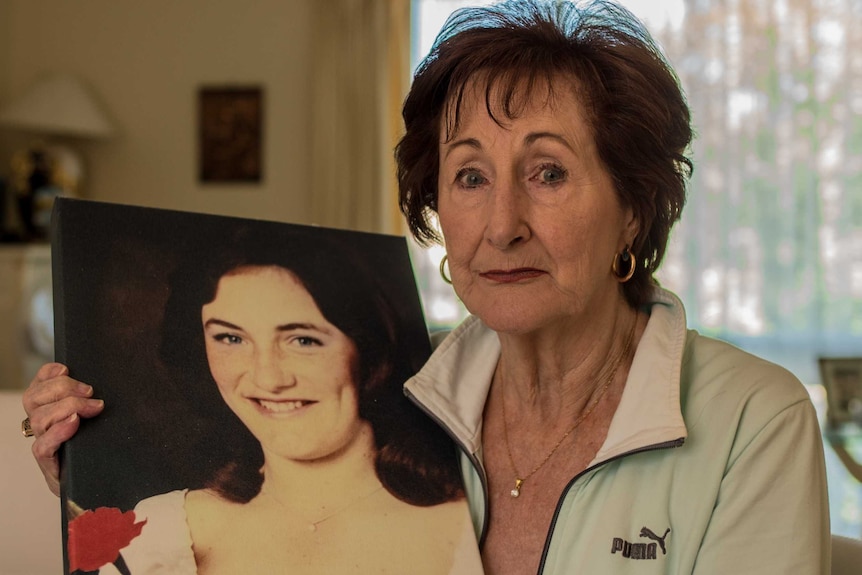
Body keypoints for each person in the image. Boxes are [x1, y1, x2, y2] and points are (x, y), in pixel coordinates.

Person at [23, 1, 831, 573]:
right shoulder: (402, 387)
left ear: (633, 209)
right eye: (470, 176)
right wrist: (99, 463)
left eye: (548, 172)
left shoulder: (752, 422)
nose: (501, 222)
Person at [30, 223, 481, 574]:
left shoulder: (466, 520)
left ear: (367, 347)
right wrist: (71, 459)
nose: (267, 377)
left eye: (302, 340)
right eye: (230, 338)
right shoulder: (162, 531)